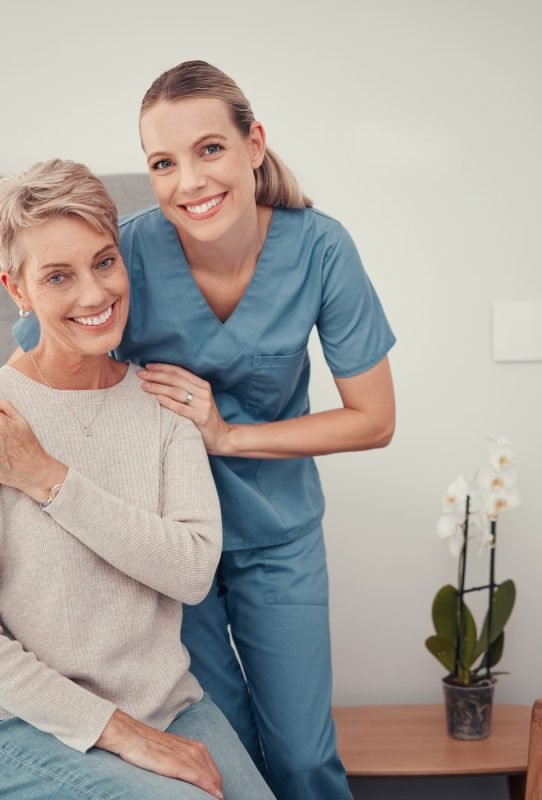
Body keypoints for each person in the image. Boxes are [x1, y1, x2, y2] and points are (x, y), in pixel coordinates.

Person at [13, 60, 396, 800]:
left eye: (210, 149)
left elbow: (374, 419)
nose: (190, 181)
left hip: (274, 529)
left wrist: (228, 436)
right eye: (163, 162)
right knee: (227, 746)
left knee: (303, 754)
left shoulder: (321, 250)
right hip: (160, 547)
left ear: (254, 144)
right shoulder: (124, 253)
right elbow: (43, 355)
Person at [0, 159, 275, 800]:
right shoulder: (5, 417)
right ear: (17, 290)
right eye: (58, 277)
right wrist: (115, 731)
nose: (94, 296)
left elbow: (190, 570)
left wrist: (49, 480)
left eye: (104, 262)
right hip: (28, 724)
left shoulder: (163, 402)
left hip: (169, 705)